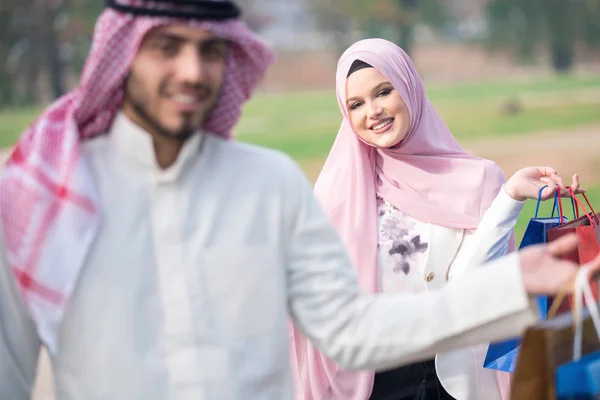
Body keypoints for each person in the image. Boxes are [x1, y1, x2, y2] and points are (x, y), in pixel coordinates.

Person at [0, 3, 596, 399]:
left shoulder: (269, 184)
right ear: (121, 54)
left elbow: (348, 326)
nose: (191, 69)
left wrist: (507, 282)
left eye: (210, 50)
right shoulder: (42, 191)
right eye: (165, 46)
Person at [289, 38, 585, 400]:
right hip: (373, 382)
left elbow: (471, 284)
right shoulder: (339, 194)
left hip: (456, 379)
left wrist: (509, 199)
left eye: (384, 92)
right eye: (356, 104)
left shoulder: (478, 179)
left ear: (410, 87)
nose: (373, 111)